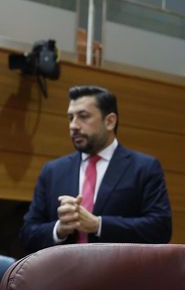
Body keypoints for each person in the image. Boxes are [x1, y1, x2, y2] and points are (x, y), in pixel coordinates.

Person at [20, 86, 172, 254]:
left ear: (110, 121)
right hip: (63, 276)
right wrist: (59, 229)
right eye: (70, 118)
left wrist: (98, 225)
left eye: (83, 117)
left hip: (120, 276)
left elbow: (160, 229)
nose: (73, 126)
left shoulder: (144, 168)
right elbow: (27, 234)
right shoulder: (53, 171)